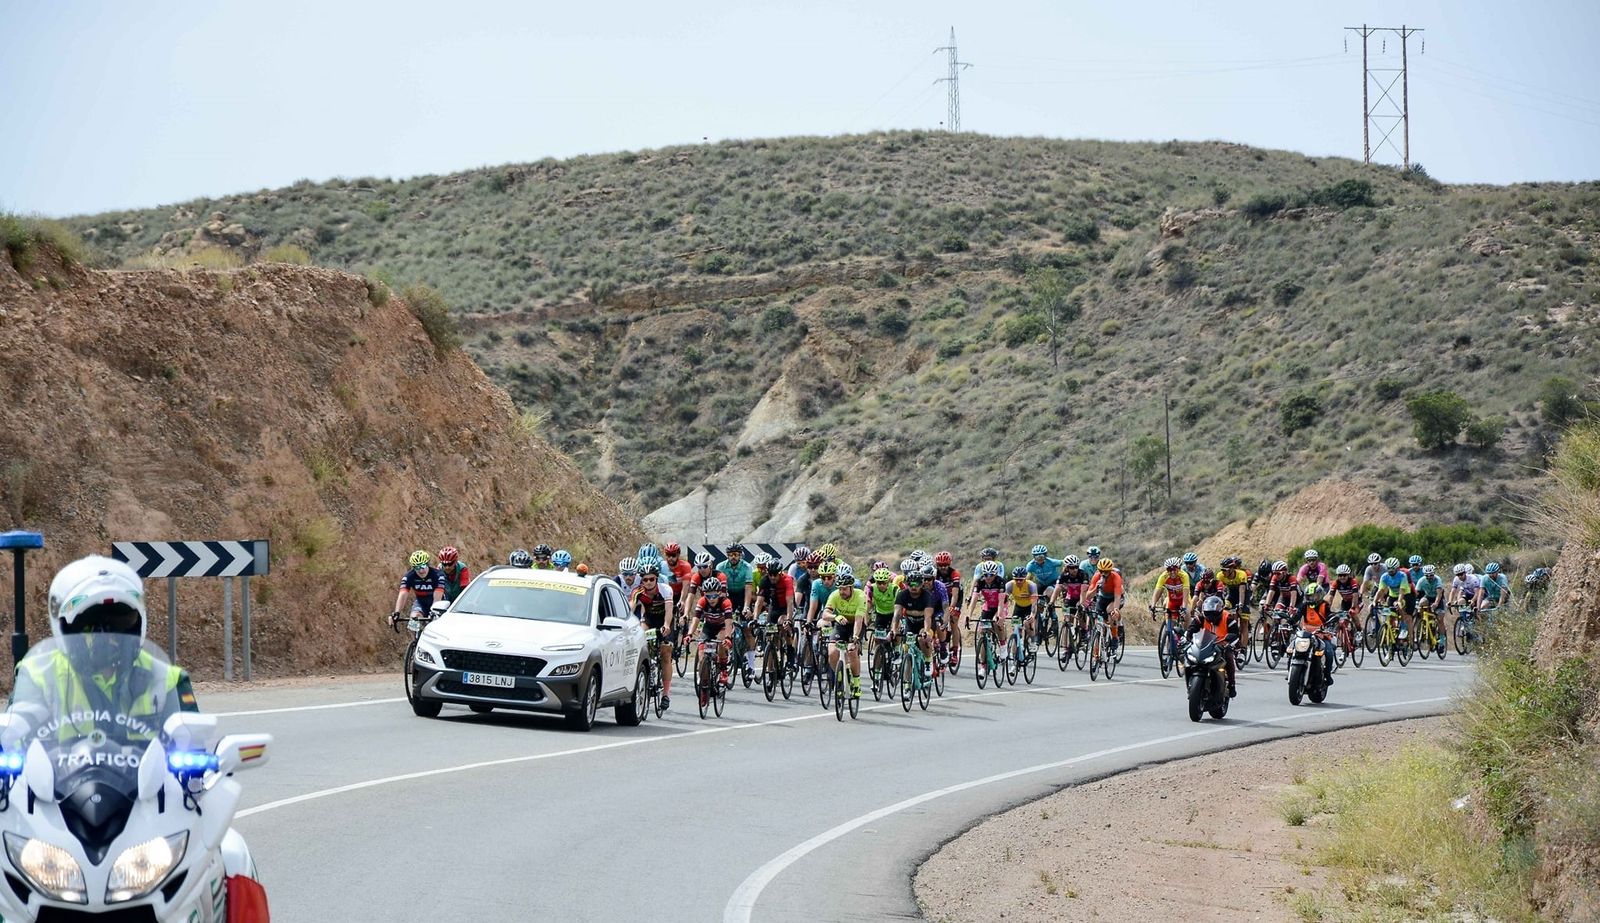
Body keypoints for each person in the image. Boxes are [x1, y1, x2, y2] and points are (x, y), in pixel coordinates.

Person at [12, 555, 199, 733]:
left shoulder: (167, 679)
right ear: (64, 626)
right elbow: (12, 743)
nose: (106, 636)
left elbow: (192, 747)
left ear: (138, 623)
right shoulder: (37, 676)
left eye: (120, 621)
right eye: (90, 624)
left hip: (145, 767)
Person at [630, 567, 675, 710]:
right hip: (648, 620)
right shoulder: (637, 592)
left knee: (666, 653)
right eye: (645, 580)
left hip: (665, 621)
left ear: (656, 579)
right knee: (642, 643)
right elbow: (630, 610)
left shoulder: (665, 590)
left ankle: (666, 695)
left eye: (652, 579)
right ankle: (647, 670)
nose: (648, 582)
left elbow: (669, 610)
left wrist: (667, 625)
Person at [823, 564, 866, 699]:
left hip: (855, 625)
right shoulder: (835, 595)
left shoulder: (860, 596)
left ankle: (857, 683)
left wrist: (855, 638)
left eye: (844, 589)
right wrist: (835, 616)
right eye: (840, 589)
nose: (842, 592)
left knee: (852, 651)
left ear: (851, 588)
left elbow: (859, 620)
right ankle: (840, 675)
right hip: (841, 624)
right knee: (832, 651)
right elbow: (825, 614)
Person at [749, 553, 794, 680]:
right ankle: (770, 672)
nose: (773, 577)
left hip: (786, 607)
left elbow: (790, 602)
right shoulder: (765, 580)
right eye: (770, 574)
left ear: (780, 573)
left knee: (783, 624)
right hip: (774, 608)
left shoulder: (787, 580)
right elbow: (758, 602)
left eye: (775, 574)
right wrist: (755, 619)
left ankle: (790, 652)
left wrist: (789, 620)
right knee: (769, 636)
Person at [687, 577, 735, 693]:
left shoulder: (725, 602)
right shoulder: (702, 601)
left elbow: (729, 622)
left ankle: (723, 670)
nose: (711, 599)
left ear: (719, 593)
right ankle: (705, 681)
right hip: (709, 627)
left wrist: (728, 638)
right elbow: (696, 619)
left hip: (723, 626)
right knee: (702, 653)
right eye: (708, 596)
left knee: (721, 642)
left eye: (714, 596)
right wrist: (689, 634)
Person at [1187, 593, 1237, 698]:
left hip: (1222, 646)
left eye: (1213, 613)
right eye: (1208, 613)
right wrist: (1187, 638)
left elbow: (1235, 634)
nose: (1210, 616)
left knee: (1229, 656)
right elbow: (1191, 630)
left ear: (1220, 611)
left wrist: (1229, 642)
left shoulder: (1228, 618)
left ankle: (1232, 685)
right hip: (1204, 646)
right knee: (1188, 656)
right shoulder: (1201, 618)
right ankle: (1191, 684)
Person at [896, 566, 939, 682]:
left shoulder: (927, 596)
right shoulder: (902, 595)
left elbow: (928, 617)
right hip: (910, 623)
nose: (914, 587)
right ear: (907, 584)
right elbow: (897, 615)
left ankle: (928, 661)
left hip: (925, 624)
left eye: (916, 584)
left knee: (922, 638)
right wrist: (893, 630)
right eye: (911, 584)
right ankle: (906, 683)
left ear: (921, 585)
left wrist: (926, 631)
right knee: (907, 650)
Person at [1294, 584, 1336, 688]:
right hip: (1306, 635)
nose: (1311, 599)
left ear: (1320, 596)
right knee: (1291, 648)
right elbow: (1297, 615)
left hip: (1322, 635)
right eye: (1309, 596)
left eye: (1313, 596)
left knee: (1329, 653)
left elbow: (1330, 616)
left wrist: (1331, 625)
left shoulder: (1325, 605)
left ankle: (1327, 675)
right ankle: (1291, 671)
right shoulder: (1304, 606)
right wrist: (1289, 622)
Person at [1085, 558, 1125, 652]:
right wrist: (1096, 587)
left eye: (1106, 572)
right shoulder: (1097, 576)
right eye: (1101, 571)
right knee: (1098, 623)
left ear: (1110, 571)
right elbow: (1088, 596)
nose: (1103, 574)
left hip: (1115, 597)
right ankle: (1096, 654)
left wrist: (1116, 610)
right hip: (1103, 597)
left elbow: (1117, 596)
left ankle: (1115, 637)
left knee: (1110, 611)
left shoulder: (1116, 577)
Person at [393, 550, 445, 622]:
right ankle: (417, 632)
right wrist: (396, 612)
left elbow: (437, 597)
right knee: (414, 619)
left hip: (438, 602)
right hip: (421, 602)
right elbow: (403, 595)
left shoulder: (438, 575)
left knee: (436, 622)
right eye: (417, 568)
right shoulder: (409, 576)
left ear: (427, 564)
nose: (421, 570)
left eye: (423, 566)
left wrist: (434, 611)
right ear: (413, 568)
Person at [1002, 566, 1039, 663]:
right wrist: (1002, 613)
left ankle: (1032, 642)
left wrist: (1033, 615)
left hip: (1029, 607)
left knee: (1028, 623)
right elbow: (1003, 601)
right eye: (1016, 580)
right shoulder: (1009, 585)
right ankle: (1015, 656)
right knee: (1016, 630)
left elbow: (1034, 603)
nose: (1018, 582)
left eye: (1021, 580)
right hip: (1018, 608)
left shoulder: (1031, 585)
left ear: (1025, 578)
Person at [933, 551, 963, 669]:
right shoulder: (935, 574)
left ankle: (955, 652)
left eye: (945, 565)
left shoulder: (954, 573)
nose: (943, 567)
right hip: (942, 597)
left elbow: (955, 594)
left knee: (953, 620)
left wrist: (951, 608)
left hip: (954, 596)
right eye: (940, 565)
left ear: (949, 564)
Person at [1151, 558, 1191, 625]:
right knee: (1169, 625)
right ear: (1166, 570)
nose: (1172, 572)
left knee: (1187, 613)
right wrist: (1153, 606)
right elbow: (1157, 592)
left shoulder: (1184, 576)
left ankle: (1187, 634)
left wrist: (1184, 608)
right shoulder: (1163, 576)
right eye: (1169, 569)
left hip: (1184, 600)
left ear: (1178, 568)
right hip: (1172, 601)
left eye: (1174, 569)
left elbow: (1186, 594)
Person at [716, 546, 755, 614]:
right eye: (730, 555)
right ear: (727, 556)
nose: (733, 557)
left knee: (746, 616)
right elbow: (719, 587)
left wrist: (746, 606)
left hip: (742, 594)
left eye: (736, 554)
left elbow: (748, 587)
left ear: (740, 555)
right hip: (728, 593)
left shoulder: (747, 567)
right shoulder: (720, 567)